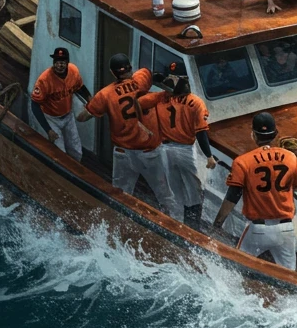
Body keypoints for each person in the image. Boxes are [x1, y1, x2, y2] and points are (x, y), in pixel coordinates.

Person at [76, 52, 178, 218]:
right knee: (165, 195)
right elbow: (149, 73)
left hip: (123, 153)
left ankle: (118, 225)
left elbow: (82, 118)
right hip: (150, 153)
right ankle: (174, 228)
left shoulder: (105, 95)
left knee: (120, 195)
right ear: (130, 68)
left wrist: (90, 104)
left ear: (112, 72)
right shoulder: (141, 79)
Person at [212, 112, 297, 269]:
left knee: (235, 268)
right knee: (289, 278)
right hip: (286, 229)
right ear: (275, 134)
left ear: (253, 135)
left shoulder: (242, 161)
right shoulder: (291, 158)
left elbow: (233, 196)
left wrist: (217, 223)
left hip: (258, 230)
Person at [141, 64, 216, 228]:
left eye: (174, 77)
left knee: (176, 189)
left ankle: (177, 225)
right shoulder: (195, 102)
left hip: (167, 150)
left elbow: (135, 105)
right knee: (191, 191)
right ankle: (189, 228)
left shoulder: (160, 97)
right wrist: (209, 156)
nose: (172, 80)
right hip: (183, 151)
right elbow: (201, 132)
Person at [30, 46, 90, 161]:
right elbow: (35, 105)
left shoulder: (74, 71)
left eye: (62, 62)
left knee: (76, 151)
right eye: (57, 62)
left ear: (67, 62)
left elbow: (80, 87)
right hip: (51, 119)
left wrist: (89, 98)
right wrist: (48, 130)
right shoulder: (44, 80)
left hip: (68, 116)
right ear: (53, 63)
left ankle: (75, 175)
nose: (59, 65)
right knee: (60, 154)